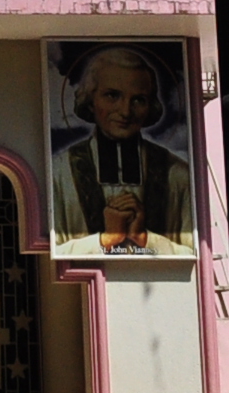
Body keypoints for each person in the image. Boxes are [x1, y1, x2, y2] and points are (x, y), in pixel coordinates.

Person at [53, 46, 194, 253]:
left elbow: (194, 253)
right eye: (112, 95)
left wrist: (145, 239)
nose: (126, 111)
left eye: (138, 100)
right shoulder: (60, 173)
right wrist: (105, 239)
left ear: (150, 105)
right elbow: (52, 253)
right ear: (91, 101)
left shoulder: (178, 174)